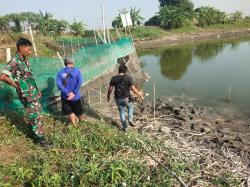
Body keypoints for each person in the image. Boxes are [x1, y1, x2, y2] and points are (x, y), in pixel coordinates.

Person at [0, 38, 51, 148]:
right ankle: (41, 141)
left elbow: (29, 79)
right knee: (35, 116)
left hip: (32, 93)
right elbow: (3, 76)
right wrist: (16, 85)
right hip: (27, 95)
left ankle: (33, 134)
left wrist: (37, 92)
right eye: (28, 49)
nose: (30, 51)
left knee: (36, 114)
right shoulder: (14, 62)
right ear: (21, 48)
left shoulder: (25, 61)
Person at [107, 65, 144, 132]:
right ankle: (130, 119)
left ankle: (125, 128)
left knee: (122, 113)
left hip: (118, 99)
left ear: (119, 70)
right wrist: (140, 95)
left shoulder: (113, 78)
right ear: (125, 71)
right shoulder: (128, 78)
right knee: (130, 108)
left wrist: (108, 96)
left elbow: (110, 88)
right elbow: (133, 89)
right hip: (126, 98)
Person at [56, 57, 84, 126]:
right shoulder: (77, 71)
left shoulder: (60, 73)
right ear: (72, 63)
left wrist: (67, 93)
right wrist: (73, 93)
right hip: (75, 97)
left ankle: (74, 125)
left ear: (65, 64)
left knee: (70, 111)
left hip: (65, 97)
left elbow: (59, 85)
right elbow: (80, 82)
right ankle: (82, 123)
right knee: (79, 111)